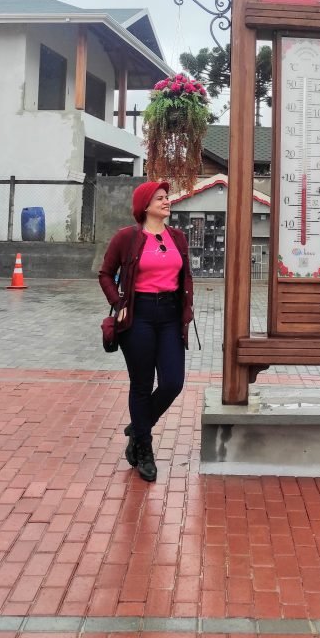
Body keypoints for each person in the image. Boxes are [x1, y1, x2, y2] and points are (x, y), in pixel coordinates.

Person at [99, 180, 194, 482]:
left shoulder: (178, 238)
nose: (167, 202)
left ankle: (137, 429)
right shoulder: (127, 238)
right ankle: (144, 449)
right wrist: (118, 303)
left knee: (172, 382)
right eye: (160, 198)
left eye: (167, 198)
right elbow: (105, 274)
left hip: (169, 315)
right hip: (138, 316)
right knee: (141, 384)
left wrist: (186, 310)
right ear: (145, 205)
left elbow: (184, 277)